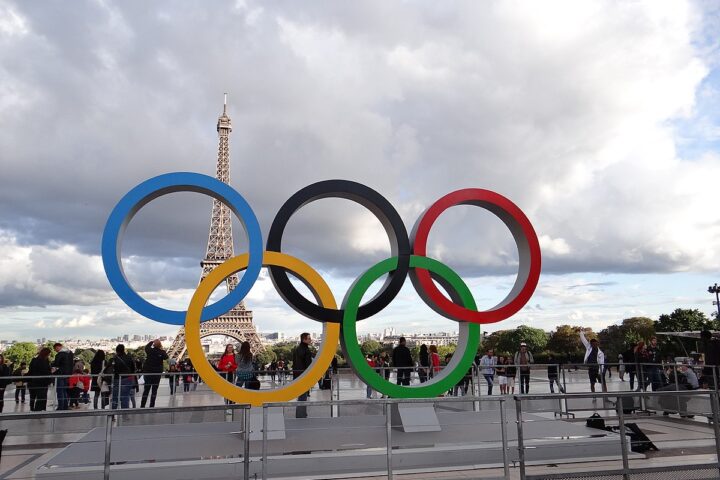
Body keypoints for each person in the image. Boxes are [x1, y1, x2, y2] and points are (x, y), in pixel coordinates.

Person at [141, 339, 168, 408]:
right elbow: (166, 357)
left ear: (154, 345)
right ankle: (152, 405)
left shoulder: (150, 350)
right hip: (157, 374)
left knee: (146, 390)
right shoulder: (161, 352)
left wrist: (152, 342)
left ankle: (142, 405)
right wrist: (161, 348)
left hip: (148, 373)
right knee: (154, 390)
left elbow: (146, 347)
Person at [292, 333, 313, 418]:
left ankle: (300, 413)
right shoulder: (306, 350)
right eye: (308, 338)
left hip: (297, 374)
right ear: (304, 340)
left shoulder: (297, 349)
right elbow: (308, 365)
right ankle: (301, 414)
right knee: (303, 396)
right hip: (304, 375)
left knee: (301, 395)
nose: (310, 339)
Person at [110, 344, 135, 409]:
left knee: (115, 396)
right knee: (125, 396)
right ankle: (125, 411)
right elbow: (133, 369)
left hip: (117, 379)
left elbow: (112, 370)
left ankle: (113, 412)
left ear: (117, 351)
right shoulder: (129, 358)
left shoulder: (114, 359)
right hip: (128, 378)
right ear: (123, 350)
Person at [28, 347, 52, 411]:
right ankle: (40, 409)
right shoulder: (44, 361)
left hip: (33, 381)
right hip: (42, 382)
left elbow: (30, 370)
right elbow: (45, 371)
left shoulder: (34, 360)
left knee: (33, 396)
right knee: (42, 397)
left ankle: (33, 409)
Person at [51, 342, 74, 410]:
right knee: (64, 391)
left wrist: (52, 365)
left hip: (60, 374)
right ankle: (65, 406)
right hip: (67, 374)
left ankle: (60, 407)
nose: (55, 351)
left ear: (58, 347)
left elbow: (56, 364)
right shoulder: (70, 353)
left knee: (60, 391)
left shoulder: (60, 354)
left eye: (55, 349)